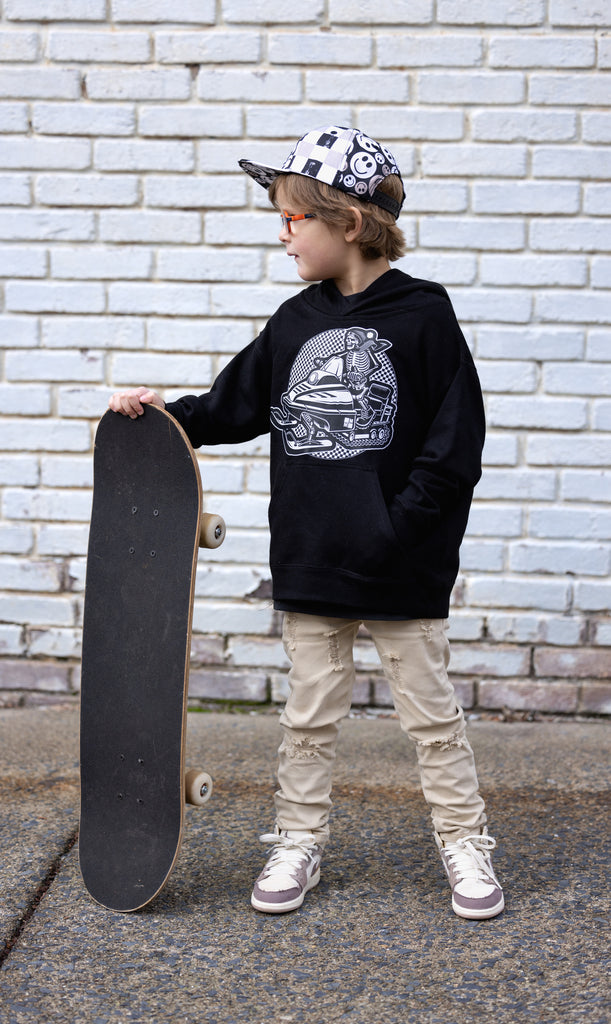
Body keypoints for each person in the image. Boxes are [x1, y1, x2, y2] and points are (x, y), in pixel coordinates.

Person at [109, 125, 504, 920]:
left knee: (431, 719)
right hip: (312, 558)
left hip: (401, 567)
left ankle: (464, 842)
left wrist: (398, 530)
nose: (282, 233)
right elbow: (230, 407)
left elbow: (454, 445)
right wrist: (159, 416)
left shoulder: (424, 316)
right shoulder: (294, 322)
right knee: (307, 719)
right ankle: (297, 840)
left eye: (293, 218)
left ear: (347, 222)